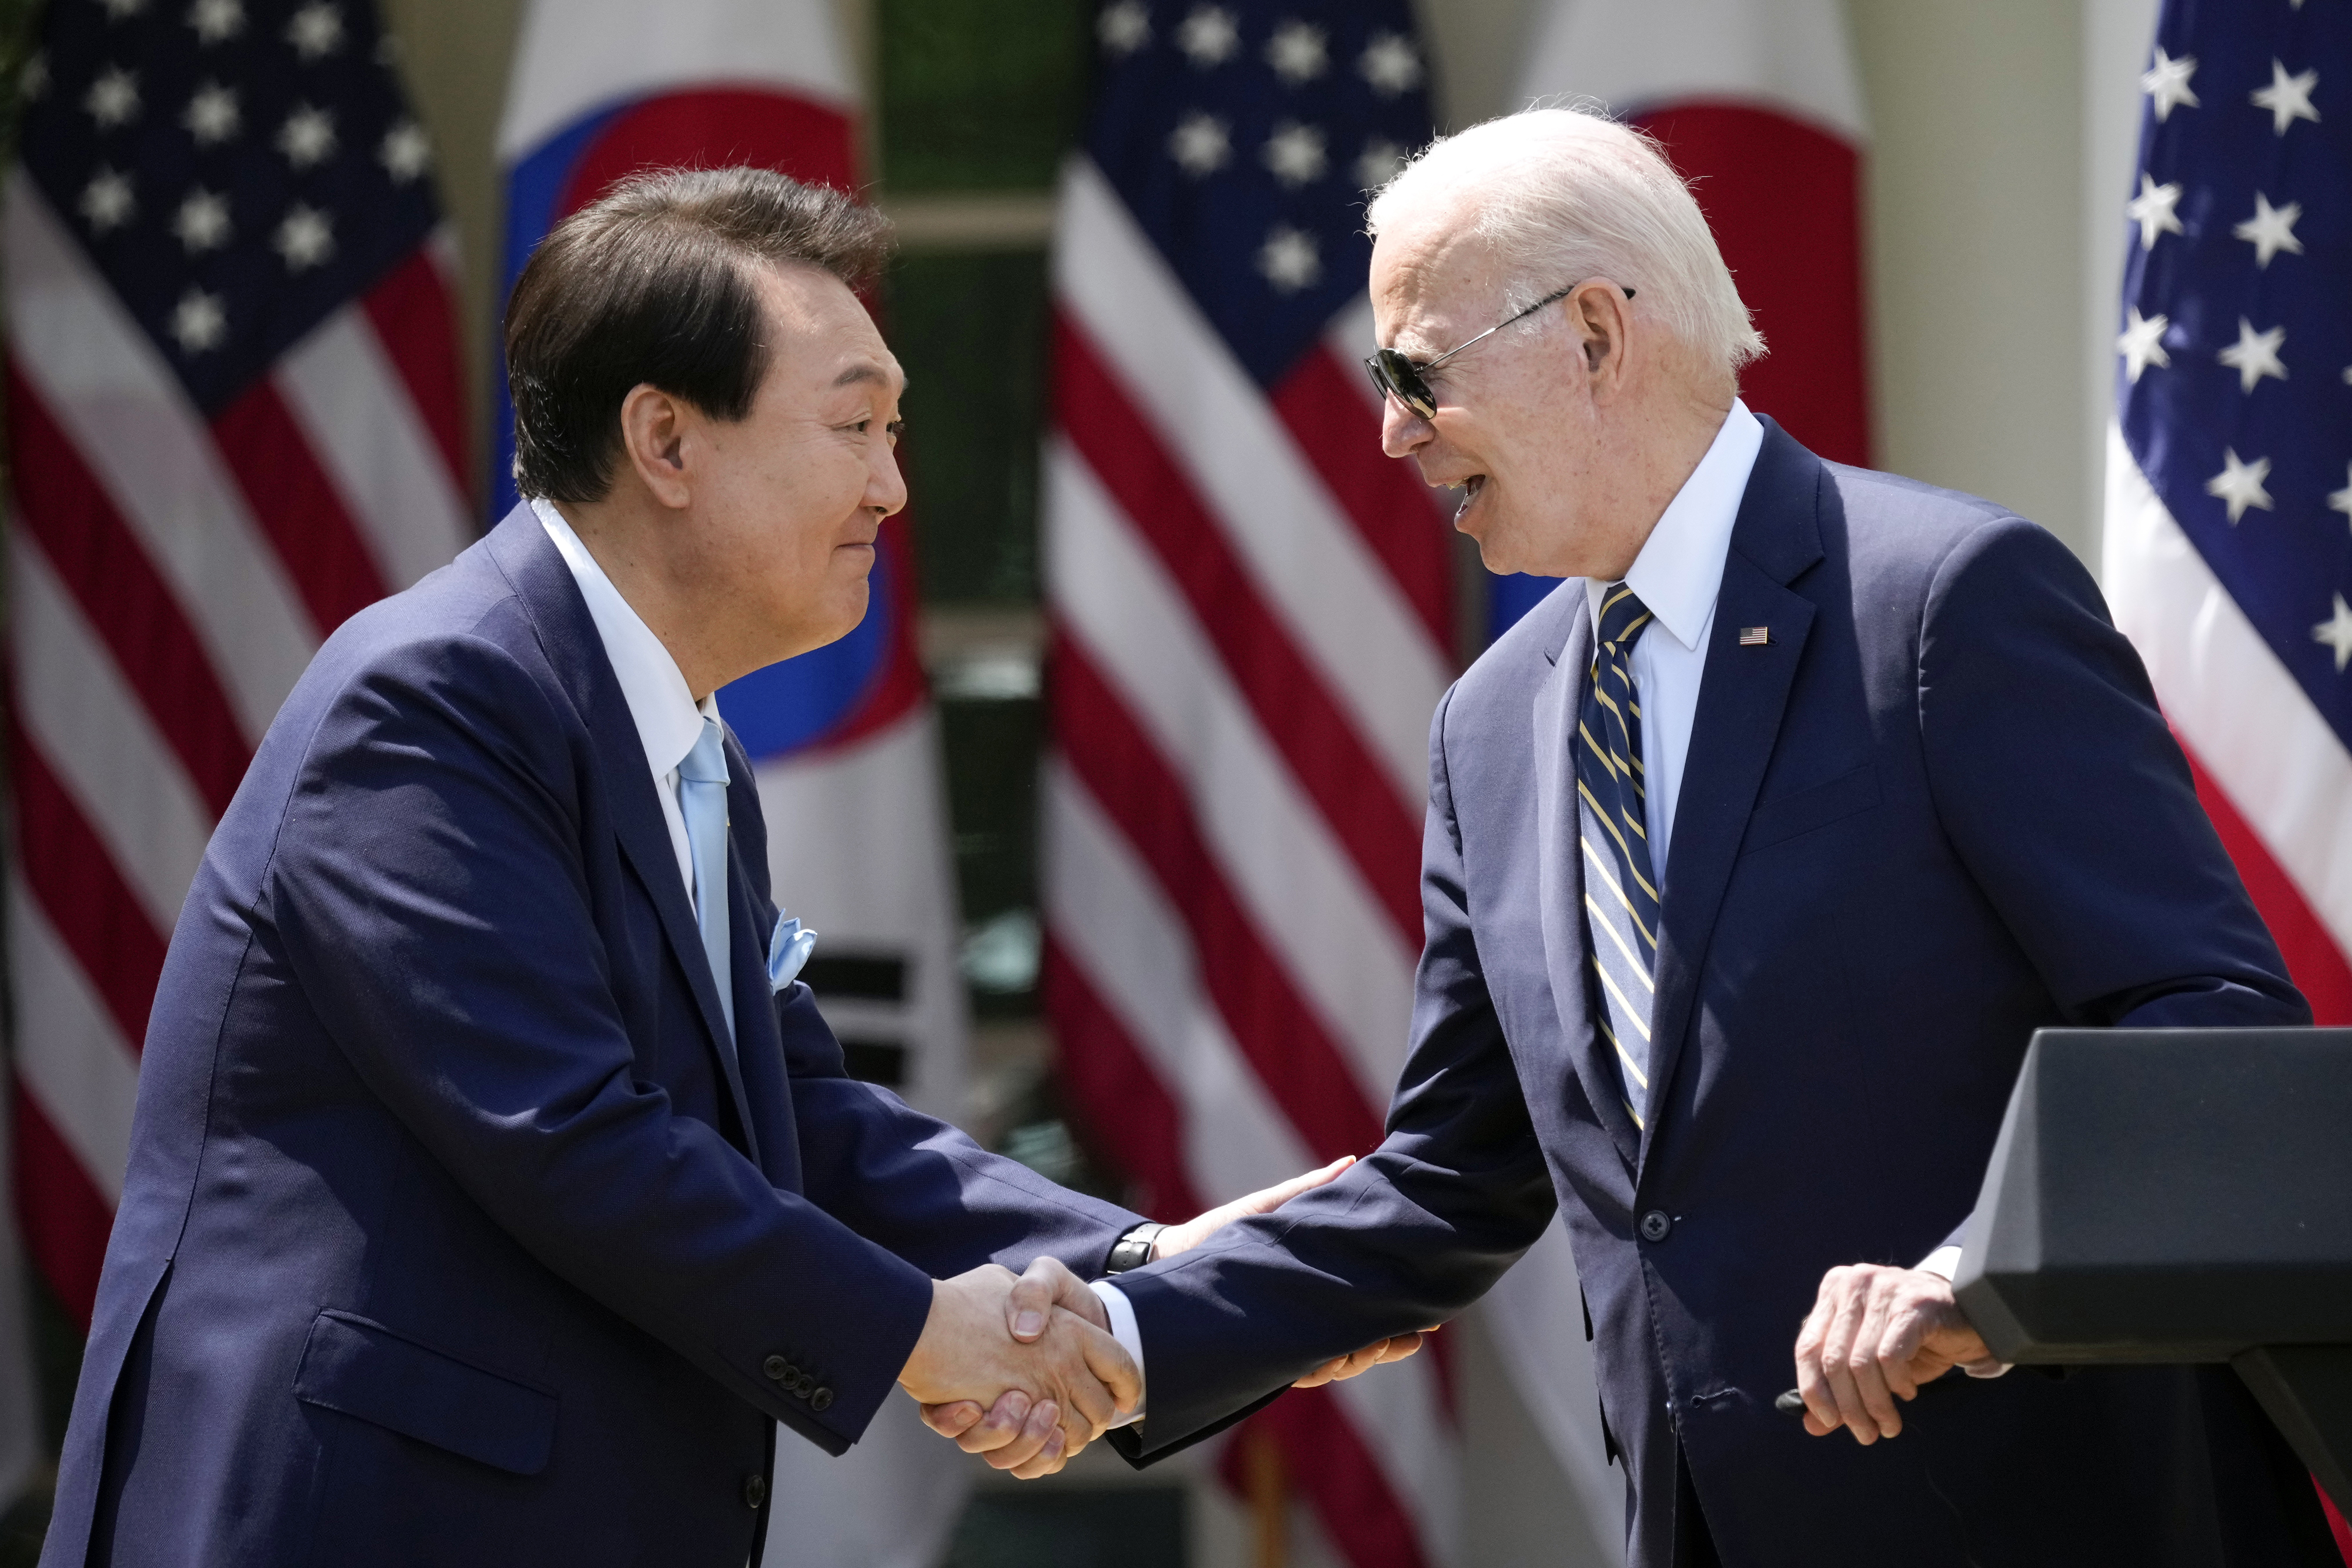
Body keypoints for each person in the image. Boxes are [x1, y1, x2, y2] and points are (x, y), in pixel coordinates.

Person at [930, 108, 2340, 1567]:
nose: (1390, 429)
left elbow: (2201, 1026)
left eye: (1415, 372)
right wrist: (1126, 1327)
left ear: (1595, 333)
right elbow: (1447, 1181)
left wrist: (1972, 1278)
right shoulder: (1491, 727)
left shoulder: (1938, 605)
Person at [38, 167, 1364, 1568]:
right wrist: (928, 1334)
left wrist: (1142, 1266)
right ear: (665, 440)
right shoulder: (433, 696)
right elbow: (571, 1132)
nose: (892, 487)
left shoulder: (682, 741)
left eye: (894, 431)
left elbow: (796, 1114)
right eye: (854, 424)